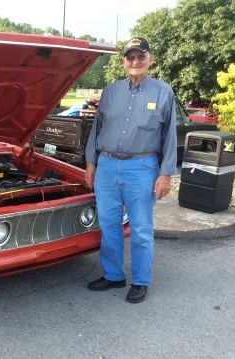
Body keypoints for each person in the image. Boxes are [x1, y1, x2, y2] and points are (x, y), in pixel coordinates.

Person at [84, 37, 177, 304]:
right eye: (130, 57)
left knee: (141, 228)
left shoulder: (162, 92)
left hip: (143, 166)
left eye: (140, 56)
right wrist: (91, 163)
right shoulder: (111, 91)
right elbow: (96, 131)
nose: (135, 61)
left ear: (150, 60)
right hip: (107, 165)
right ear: (124, 61)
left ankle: (140, 281)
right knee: (109, 224)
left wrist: (166, 174)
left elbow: (169, 136)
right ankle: (113, 275)